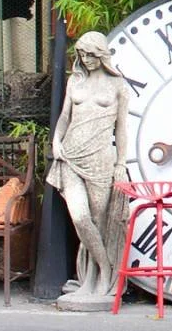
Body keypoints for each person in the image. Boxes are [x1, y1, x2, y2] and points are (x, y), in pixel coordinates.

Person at [46, 31, 131, 302]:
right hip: (70, 156)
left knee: (99, 222)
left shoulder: (118, 85)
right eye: (82, 54)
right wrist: (56, 141)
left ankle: (94, 280)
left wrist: (120, 163)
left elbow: (121, 129)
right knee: (81, 218)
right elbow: (64, 117)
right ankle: (104, 268)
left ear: (102, 55)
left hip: (100, 160)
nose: (86, 59)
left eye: (91, 55)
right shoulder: (75, 80)